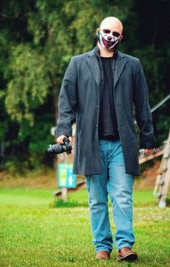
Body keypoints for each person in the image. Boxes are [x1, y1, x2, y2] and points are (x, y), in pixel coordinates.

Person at [54, 16, 156, 262]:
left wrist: (148, 137)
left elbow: (142, 104)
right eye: (106, 31)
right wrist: (63, 130)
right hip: (91, 143)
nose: (110, 36)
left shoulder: (132, 65)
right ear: (98, 31)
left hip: (123, 143)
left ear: (121, 38)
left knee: (122, 195)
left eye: (115, 33)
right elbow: (66, 100)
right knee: (97, 199)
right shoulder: (78, 64)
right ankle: (101, 246)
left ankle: (124, 246)